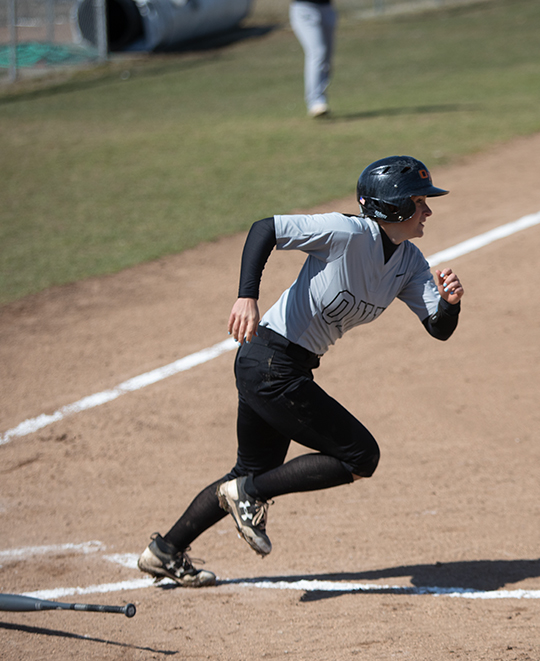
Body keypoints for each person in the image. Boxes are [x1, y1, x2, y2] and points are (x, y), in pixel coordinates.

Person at [138, 155, 464, 587]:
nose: (428, 211)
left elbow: (437, 328)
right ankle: (248, 496)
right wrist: (246, 297)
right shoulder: (346, 233)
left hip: (281, 367)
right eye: (419, 202)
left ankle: (165, 551)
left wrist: (449, 304)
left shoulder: (409, 262)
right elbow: (265, 229)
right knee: (360, 456)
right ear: (393, 208)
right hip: (270, 362)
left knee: (248, 474)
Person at [289, 0, 337, 118]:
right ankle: (316, 102)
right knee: (318, 52)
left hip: (326, 7)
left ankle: (320, 98)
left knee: (326, 57)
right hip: (304, 8)